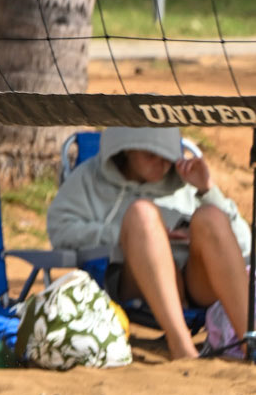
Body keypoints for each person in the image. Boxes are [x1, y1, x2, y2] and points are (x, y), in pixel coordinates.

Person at [47, 126, 252, 359]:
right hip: (134, 279)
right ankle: (181, 345)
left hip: (195, 281)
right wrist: (125, 234)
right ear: (126, 151)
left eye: (167, 156)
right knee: (142, 215)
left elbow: (245, 245)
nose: (162, 164)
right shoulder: (89, 179)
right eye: (151, 155)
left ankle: (249, 341)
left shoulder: (185, 180)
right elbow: (60, 229)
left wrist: (208, 190)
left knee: (211, 217)